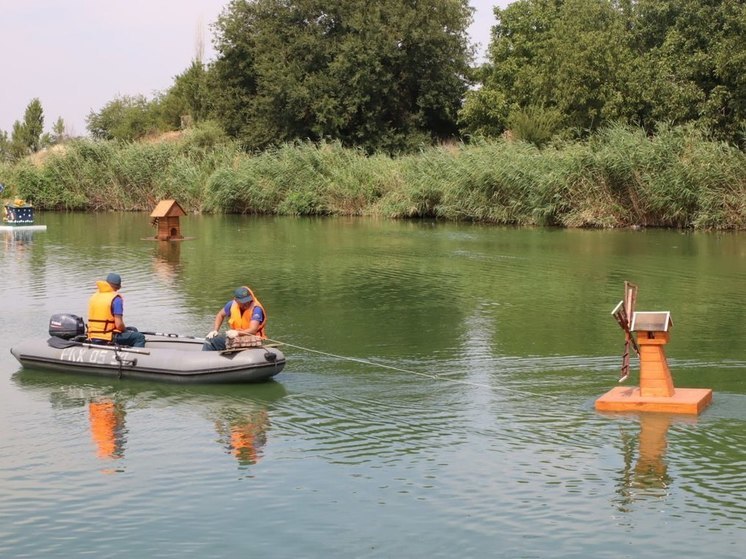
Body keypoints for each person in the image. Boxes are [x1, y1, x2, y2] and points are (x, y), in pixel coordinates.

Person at [87, 273, 146, 348]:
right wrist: (125, 331)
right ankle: (135, 356)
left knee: (133, 329)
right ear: (118, 286)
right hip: (108, 337)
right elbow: (119, 325)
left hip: (93, 336)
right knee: (139, 337)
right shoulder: (116, 299)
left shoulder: (94, 296)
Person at [203, 285, 267, 351]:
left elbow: (253, 330)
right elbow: (220, 315)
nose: (246, 303)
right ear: (236, 300)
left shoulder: (256, 309)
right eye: (243, 302)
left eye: (248, 300)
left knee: (211, 340)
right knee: (212, 337)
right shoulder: (231, 305)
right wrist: (215, 330)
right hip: (236, 338)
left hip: (253, 340)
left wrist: (237, 333)